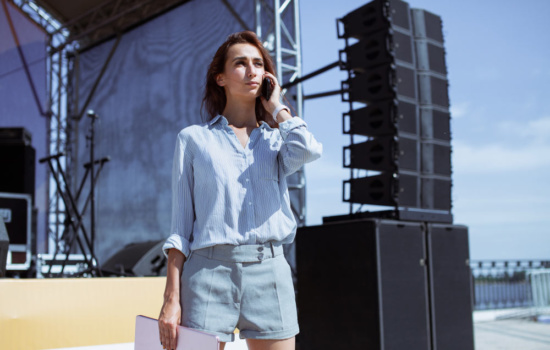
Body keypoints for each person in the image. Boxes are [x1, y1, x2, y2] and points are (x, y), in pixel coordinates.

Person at [158, 31, 322, 350]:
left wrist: (278, 107)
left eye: (259, 64)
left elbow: (308, 150)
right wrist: (171, 299)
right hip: (208, 273)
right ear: (220, 78)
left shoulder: (277, 141)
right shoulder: (193, 140)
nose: (252, 71)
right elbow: (180, 230)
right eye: (241, 63)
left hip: (270, 272)